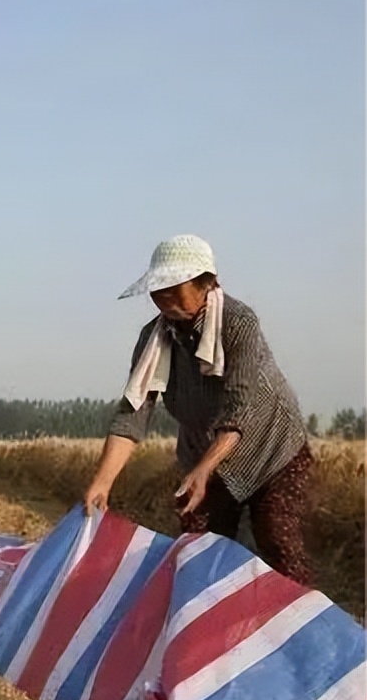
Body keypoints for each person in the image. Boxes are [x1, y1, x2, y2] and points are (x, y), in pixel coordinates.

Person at [84, 234, 314, 585]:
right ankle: (204, 615)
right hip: (203, 451)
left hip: (272, 450)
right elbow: (133, 413)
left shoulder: (238, 322)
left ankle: (298, 616)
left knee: (278, 543)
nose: (163, 297)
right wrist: (102, 483)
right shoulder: (154, 339)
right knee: (197, 548)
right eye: (157, 289)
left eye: (173, 288)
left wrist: (206, 468)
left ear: (207, 285)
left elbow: (238, 407)